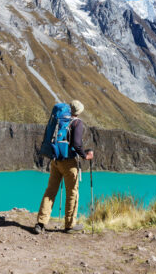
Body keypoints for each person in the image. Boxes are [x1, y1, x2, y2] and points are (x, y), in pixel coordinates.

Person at [34, 99, 94, 234]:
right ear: (79, 112)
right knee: (72, 193)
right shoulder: (77, 123)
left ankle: (41, 223)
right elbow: (77, 144)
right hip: (69, 163)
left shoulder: (60, 120)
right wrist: (85, 156)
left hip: (56, 161)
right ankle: (70, 225)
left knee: (50, 191)